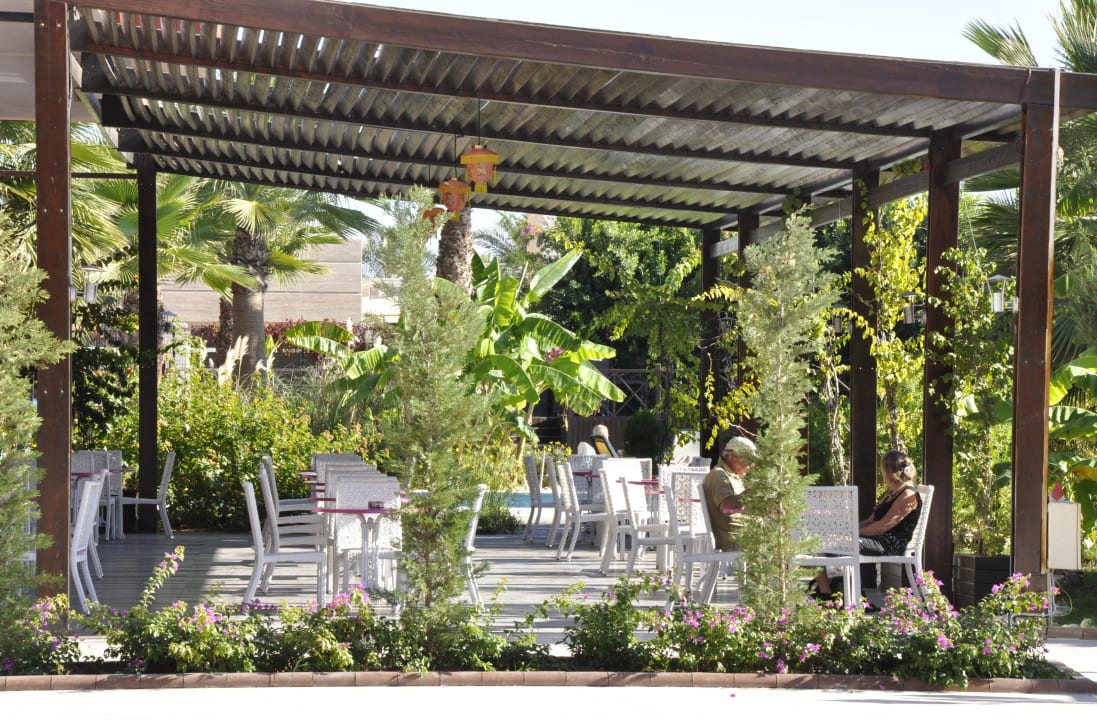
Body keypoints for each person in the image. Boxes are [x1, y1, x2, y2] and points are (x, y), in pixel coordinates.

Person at [811, 449, 922, 599]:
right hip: (877, 539)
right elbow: (871, 520)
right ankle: (827, 593)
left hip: (889, 544)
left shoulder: (908, 494)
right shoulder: (892, 493)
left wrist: (853, 534)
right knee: (819, 542)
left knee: (837, 542)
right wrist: (846, 531)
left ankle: (840, 596)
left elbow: (883, 526)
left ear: (889, 472)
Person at [702, 435, 756, 552]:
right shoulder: (718, 475)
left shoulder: (732, 476)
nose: (752, 465)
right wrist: (753, 491)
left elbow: (740, 505)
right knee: (781, 542)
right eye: (750, 460)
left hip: (744, 535)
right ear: (733, 456)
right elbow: (727, 508)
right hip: (733, 540)